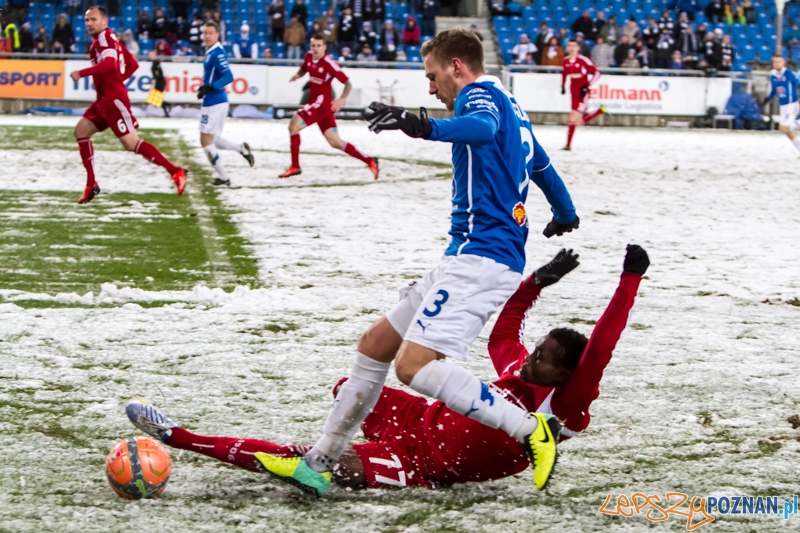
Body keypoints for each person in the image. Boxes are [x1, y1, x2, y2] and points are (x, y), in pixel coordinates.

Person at [259, 28, 581, 497]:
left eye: (432, 76)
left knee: (413, 367)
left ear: (457, 67)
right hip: (467, 254)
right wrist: (565, 213)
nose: (431, 88)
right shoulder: (512, 104)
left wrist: (423, 126)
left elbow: (482, 128)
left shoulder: (479, 96)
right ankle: (319, 463)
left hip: (483, 257)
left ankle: (530, 429)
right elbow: (542, 166)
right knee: (375, 345)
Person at [127, 245, 649, 493]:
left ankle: (179, 436)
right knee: (348, 385)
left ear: (566, 377)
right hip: (418, 419)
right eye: (536, 351)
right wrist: (536, 281)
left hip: (421, 465)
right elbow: (506, 328)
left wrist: (629, 280)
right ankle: (329, 446)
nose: (530, 359)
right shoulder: (519, 366)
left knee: (315, 468)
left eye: (545, 360)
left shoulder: (567, 404)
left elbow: (601, 347)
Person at [69, 6, 185, 204]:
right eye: (87, 20)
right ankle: (91, 184)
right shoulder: (109, 39)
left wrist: (82, 73)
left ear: (104, 21)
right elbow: (132, 64)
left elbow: (109, 64)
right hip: (104, 99)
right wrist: (114, 81)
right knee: (81, 131)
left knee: (131, 143)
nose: (89, 23)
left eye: (93, 19)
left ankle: (175, 171)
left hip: (113, 100)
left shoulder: (105, 39)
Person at [278, 33, 379, 179]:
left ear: (324, 47)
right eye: (313, 45)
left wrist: (341, 99)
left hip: (322, 104)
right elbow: (304, 68)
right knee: (335, 142)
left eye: (319, 46)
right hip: (319, 106)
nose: (315, 48)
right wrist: (297, 75)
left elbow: (348, 84)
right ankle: (370, 160)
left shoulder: (328, 63)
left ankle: (295, 166)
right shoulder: (308, 56)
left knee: (294, 125)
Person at [196, 20, 255, 186]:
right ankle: (240, 148)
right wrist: (205, 89)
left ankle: (224, 178)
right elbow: (212, 76)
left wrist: (211, 87)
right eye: (205, 33)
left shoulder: (217, 52)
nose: (207, 36)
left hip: (215, 102)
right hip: (214, 101)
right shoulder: (210, 51)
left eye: (210, 33)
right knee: (212, 139)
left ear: (217, 35)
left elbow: (228, 76)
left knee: (206, 141)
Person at [561, 39, 605, 151]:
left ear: (578, 48)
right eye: (570, 46)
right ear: (567, 48)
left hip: (582, 93)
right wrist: (563, 86)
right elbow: (564, 73)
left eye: (574, 46)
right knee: (579, 122)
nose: (571, 48)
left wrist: (587, 85)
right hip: (573, 92)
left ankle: (568, 145)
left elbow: (597, 73)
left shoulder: (583, 60)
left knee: (572, 116)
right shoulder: (565, 60)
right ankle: (600, 111)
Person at [764, 54, 800, 153]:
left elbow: (799, 83)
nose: (777, 64)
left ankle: (796, 123)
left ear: (783, 63)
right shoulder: (773, 76)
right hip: (783, 106)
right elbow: (774, 90)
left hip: (791, 105)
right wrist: (767, 99)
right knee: (784, 130)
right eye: (775, 62)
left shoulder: (789, 74)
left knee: (785, 128)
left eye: (779, 62)